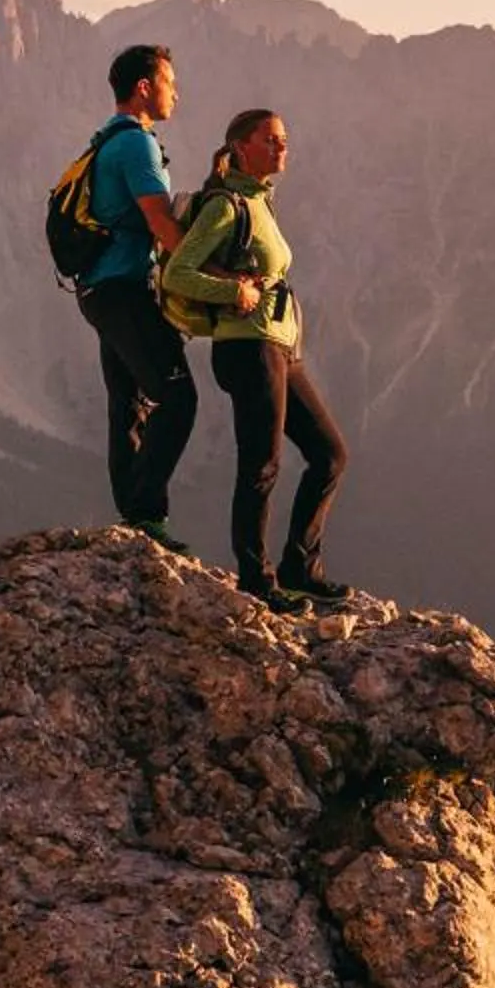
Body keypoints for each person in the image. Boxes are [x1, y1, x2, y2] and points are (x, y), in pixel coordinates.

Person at [160, 108, 352, 611]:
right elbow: (177, 274)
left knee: (330, 455)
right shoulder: (226, 205)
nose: (282, 147)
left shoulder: (259, 201)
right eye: (271, 140)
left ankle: (299, 566)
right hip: (248, 347)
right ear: (242, 148)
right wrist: (231, 291)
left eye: (284, 139)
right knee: (261, 465)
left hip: (280, 347)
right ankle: (256, 579)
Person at [76, 44, 197, 554]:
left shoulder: (105, 140)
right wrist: (202, 278)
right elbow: (161, 223)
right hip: (125, 289)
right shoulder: (137, 145)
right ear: (144, 87)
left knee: (127, 403)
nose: (176, 91)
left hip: (98, 289)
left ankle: (134, 519)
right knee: (177, 397)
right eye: (170, 81)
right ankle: (146, 515)